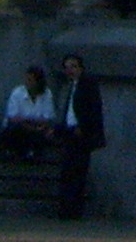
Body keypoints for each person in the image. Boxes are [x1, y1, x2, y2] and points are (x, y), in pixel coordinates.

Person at [54, 51, 106, 219]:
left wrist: (83, 127)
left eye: (74, 67)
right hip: (68, 132)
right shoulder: (68, 86)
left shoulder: (88, 85)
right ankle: (65, 208)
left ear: (81, 68)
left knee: (78, 172)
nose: (70, 70)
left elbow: (93, 110)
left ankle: (74, 209)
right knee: (67, 172)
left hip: (81, 134)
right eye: (67, 67)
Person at [0, 66, 58, 155]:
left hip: (39, 129)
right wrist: (31, 124)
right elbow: (12, 118)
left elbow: (48, 118)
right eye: (26, 79)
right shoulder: (17, 93)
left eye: (30, 80)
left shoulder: (47, 94)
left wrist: (30, 121)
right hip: (20, 130)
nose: (27, 83)